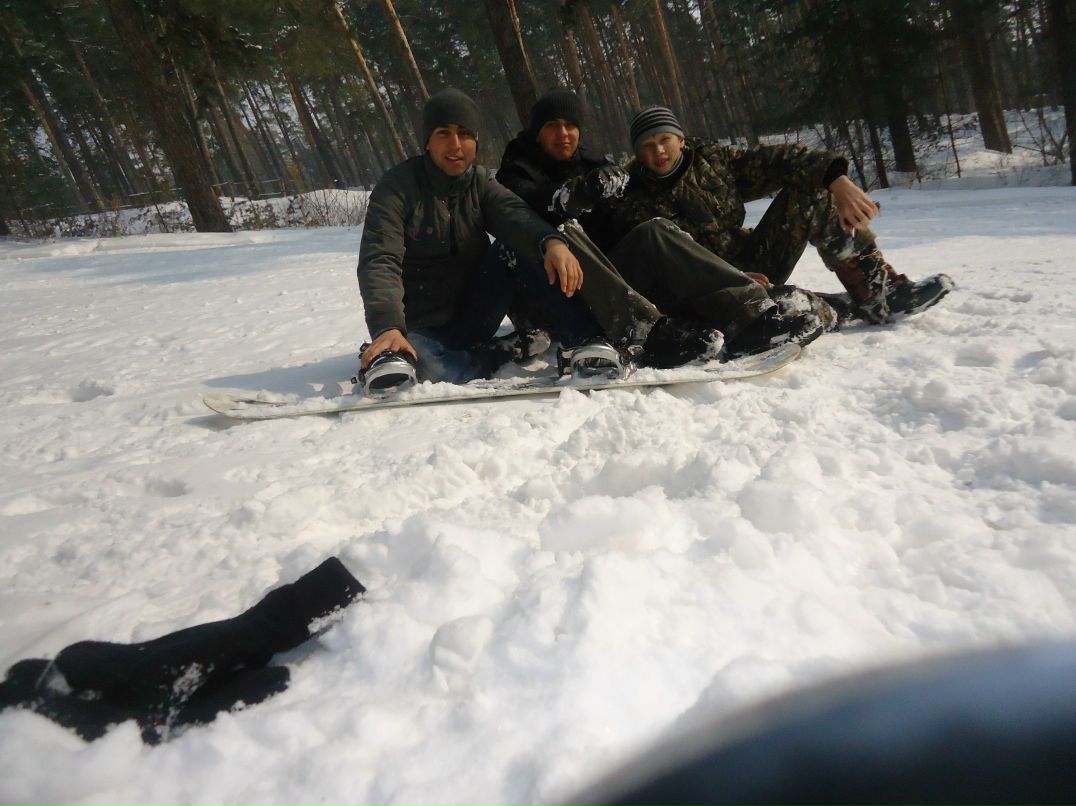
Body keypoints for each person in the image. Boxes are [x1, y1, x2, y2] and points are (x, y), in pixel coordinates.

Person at [496, 90, 831, 360]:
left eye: (570, 124)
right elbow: (528, 212)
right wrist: (581, 194)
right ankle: (644, 332)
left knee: (654, 230)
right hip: (556, 292)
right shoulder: (516, 170)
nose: (564, 134)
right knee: (564, 231)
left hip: (608, 282)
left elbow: (629, 232)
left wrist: (727, 270)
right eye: (552, 126)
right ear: (536, 133)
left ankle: (749, 316)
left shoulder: (595, 164)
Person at [610, 106, 953, 324]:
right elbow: (655, 275)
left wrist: (838, 180)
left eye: (664, 139)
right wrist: (731, 279)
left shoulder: (713, 163)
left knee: (812, 190)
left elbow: (781, 161)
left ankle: (878, 291)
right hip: (710, 291)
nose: (658, 151)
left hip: (754, 260)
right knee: (786, 311)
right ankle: (832, 308)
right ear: (638, 154)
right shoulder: (633, 199)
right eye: (647, 145)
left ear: (680, 140)